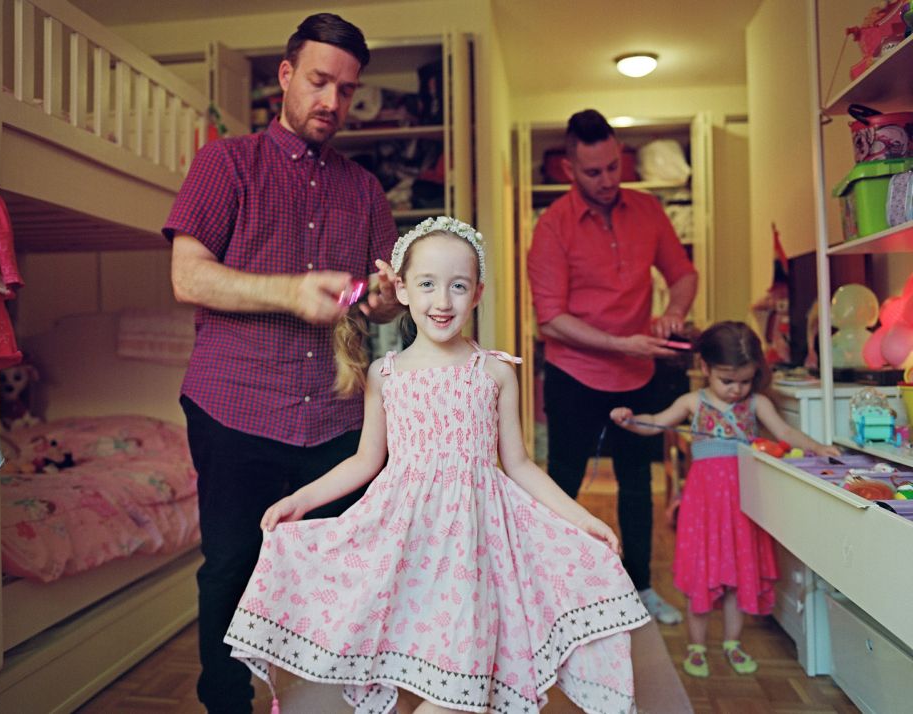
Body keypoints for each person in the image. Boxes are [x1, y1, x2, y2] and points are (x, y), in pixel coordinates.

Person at [225, 216, 651, 714]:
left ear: (477, 294)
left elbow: (520, 465)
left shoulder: (494, 370)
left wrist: (585, 520)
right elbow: (365, 460)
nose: (442, 301)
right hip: (406, 546)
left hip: (474, 547)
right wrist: (301, 499)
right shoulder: (386, 375)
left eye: (458, 286)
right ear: (402, 290)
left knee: (460, 692)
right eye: (427, 285)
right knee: (408, 682)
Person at [162, 13, 401, 713]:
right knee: (233, 568)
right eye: (321, 82)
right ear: (287, 76)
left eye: (348, 91)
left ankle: (325, 700)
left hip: (334, 419)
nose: (333, 102)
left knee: (340, 575)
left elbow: (380, 306)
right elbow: (188, 278)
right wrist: (290, 293)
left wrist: (385, 300)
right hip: (233, 406)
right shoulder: (225, 164)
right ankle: (229, 705)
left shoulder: (366, 191)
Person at [527, 108, 698, 626]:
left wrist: (672, 313)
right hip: (574, 375)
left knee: (637, 483)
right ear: (569, 170)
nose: (606, 181)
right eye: (593, 172)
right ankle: (545, 591)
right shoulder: (552, 226)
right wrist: (623, 343)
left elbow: (683, 274)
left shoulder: (647, 210)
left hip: (640, 373)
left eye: (612, 167)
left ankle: (641, 586)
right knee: (563, 481)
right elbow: (551, 320)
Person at [610, 321, 840, 678]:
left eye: (745, 381)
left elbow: (785, 432)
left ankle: (733, 642)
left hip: (742, 509)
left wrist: (816, 447)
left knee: (737, 574)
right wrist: (630, 421)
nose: (736, 390)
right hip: (702, 511)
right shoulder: (692, 402)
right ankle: (697, 646)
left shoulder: (757, 403)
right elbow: (654, 422)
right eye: (727, 381)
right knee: (701, 574)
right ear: (705, 368)